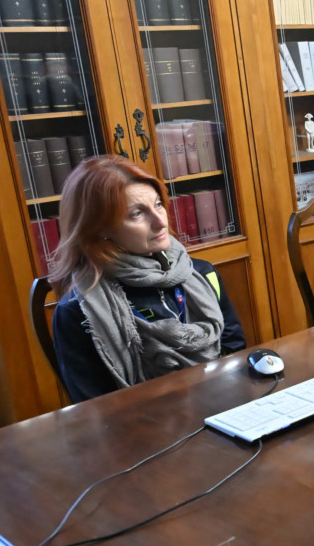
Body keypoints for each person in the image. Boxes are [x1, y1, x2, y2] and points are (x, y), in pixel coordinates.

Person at [49, 155, 246, 402]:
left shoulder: (202, 273)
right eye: (137, 214)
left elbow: (235, 350)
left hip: (222, 407)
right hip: (143, 431)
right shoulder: (78, 311)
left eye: (158, 204)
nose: (161, 222)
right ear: (99, 229)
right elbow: (95, 407)